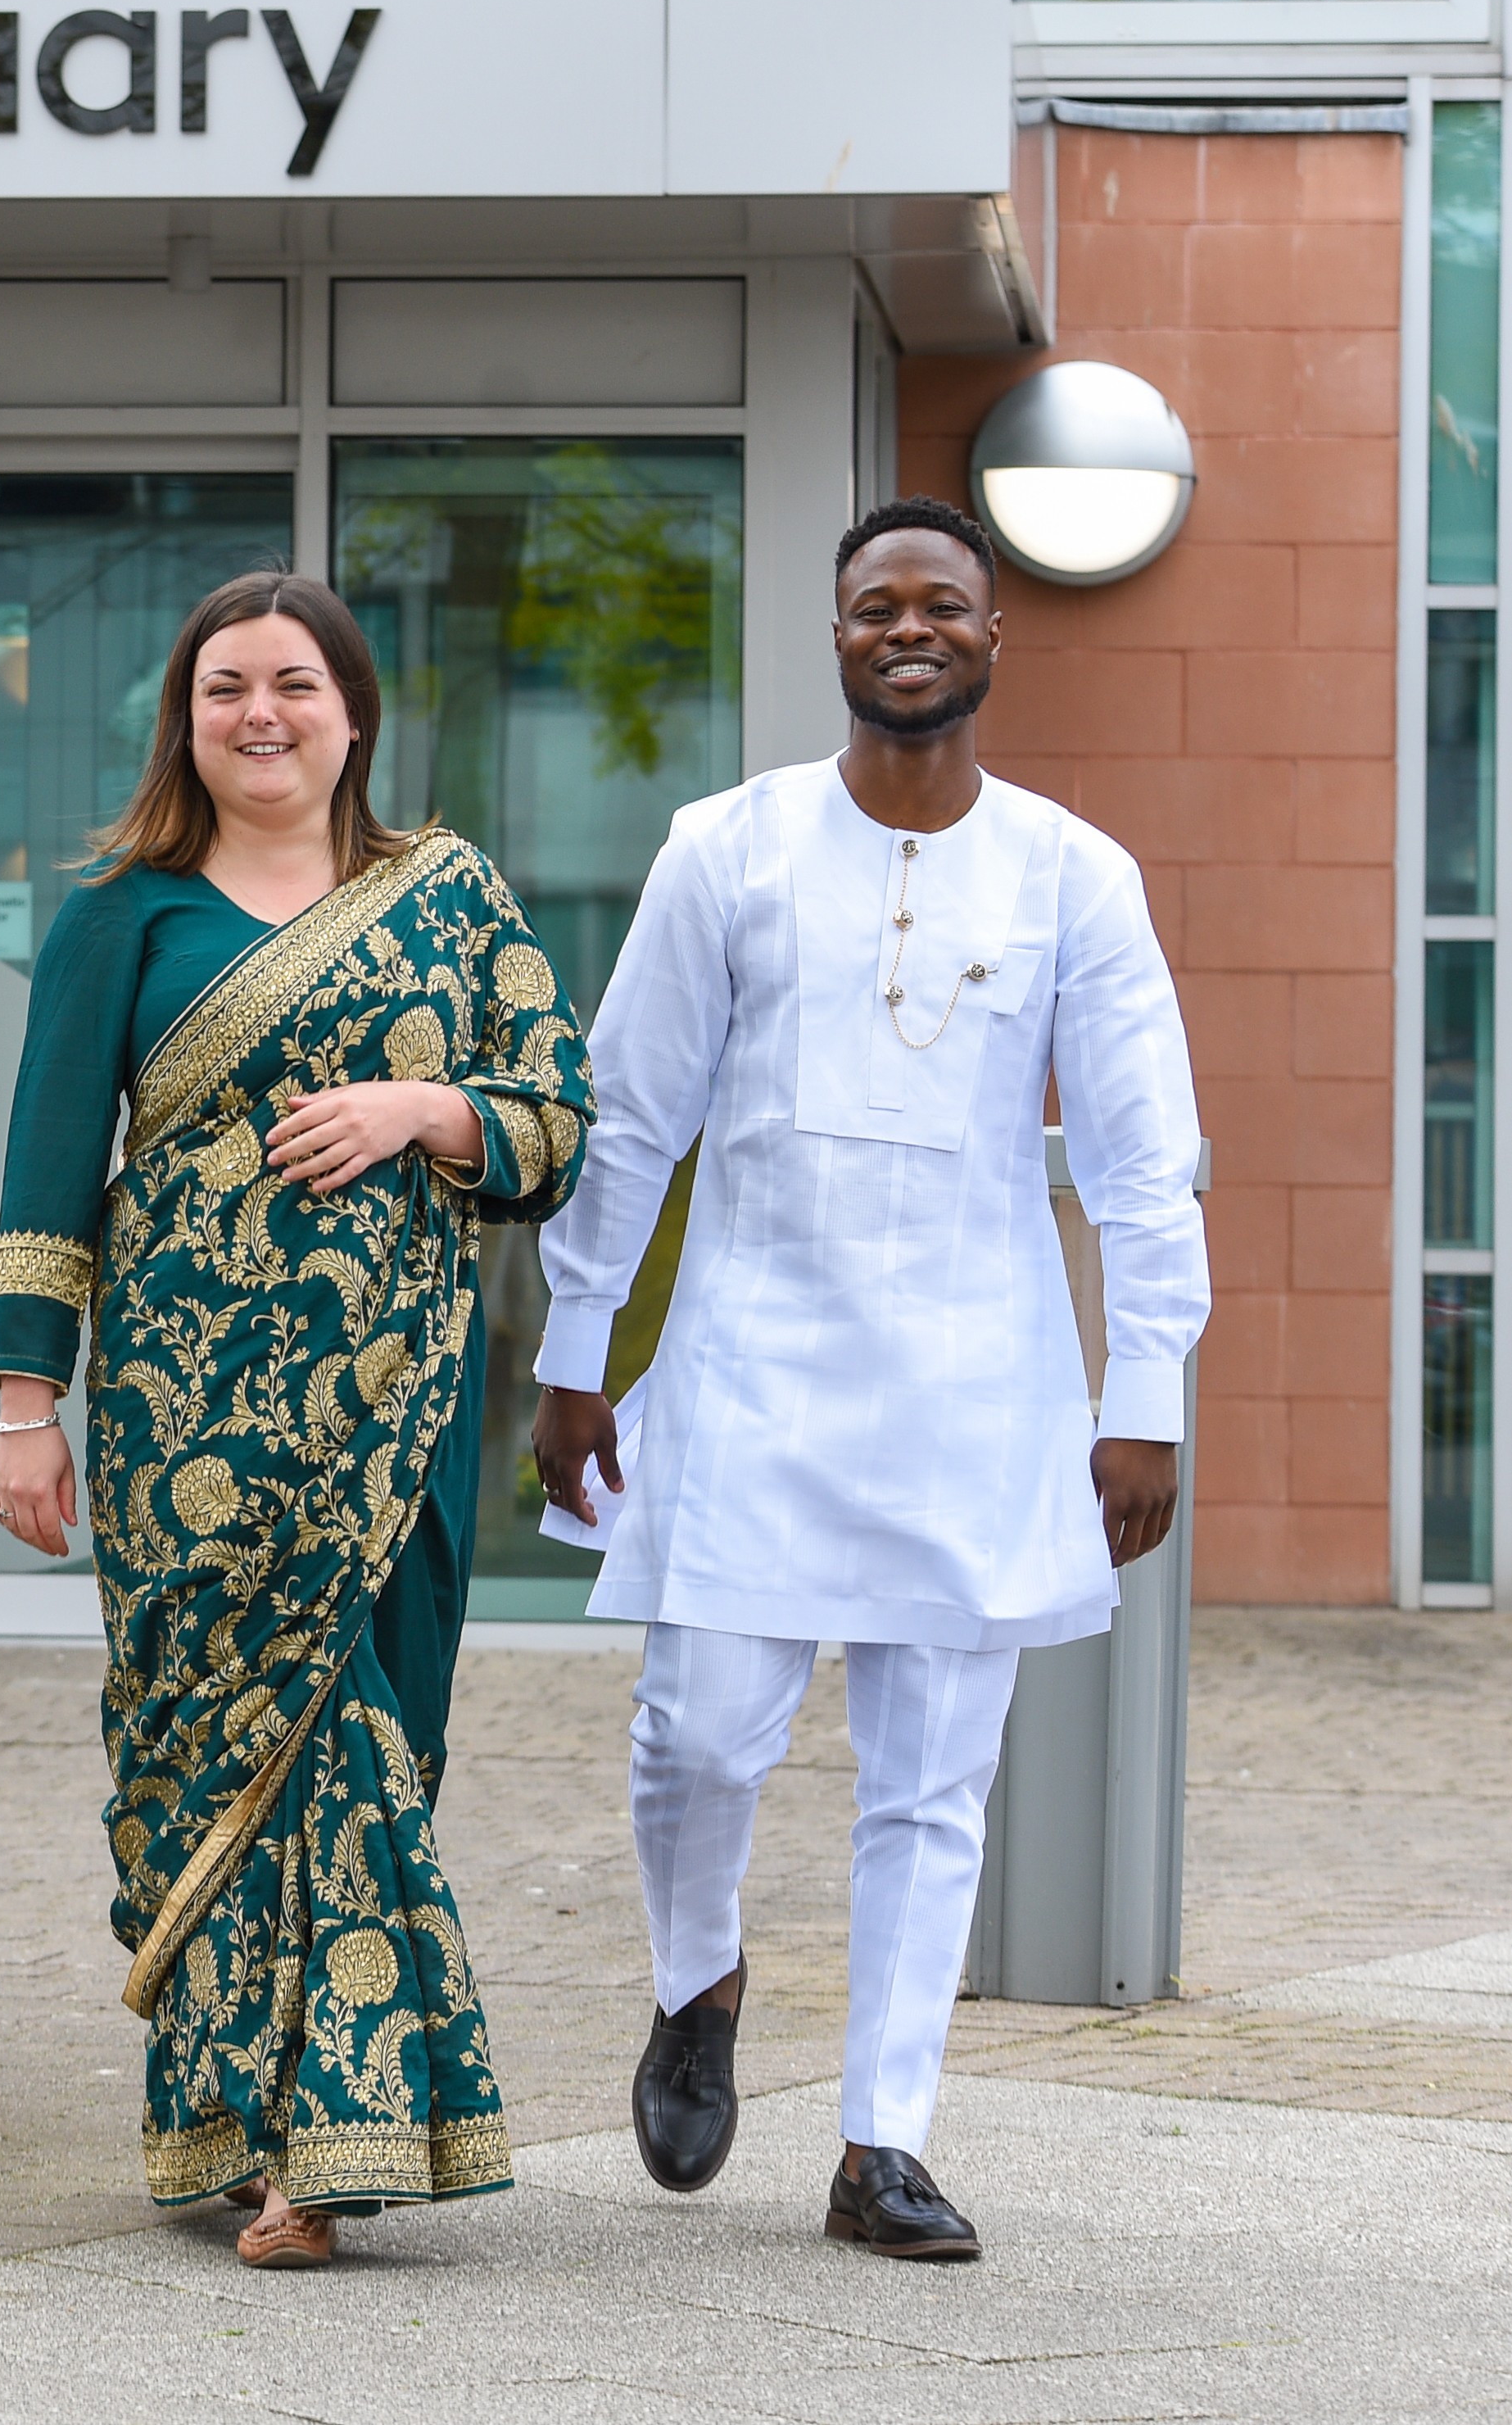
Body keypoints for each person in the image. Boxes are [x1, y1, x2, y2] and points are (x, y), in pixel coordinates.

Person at [532, 496, 1207, 2262]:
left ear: (995, 636)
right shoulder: (725, 849)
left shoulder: (1072, 874)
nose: (905, 629)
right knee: (691, 1738)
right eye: (869, 607)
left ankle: (880, 2139)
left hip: (980, 1392)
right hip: (752, 1369)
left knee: (929, 1784)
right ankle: (697, 1981)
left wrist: (1142, 1391)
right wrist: (573, 1351)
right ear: (833, 638)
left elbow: (1142, 1161)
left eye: (939, 605)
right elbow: (625, 1121)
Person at [0, 569, 592, 2269]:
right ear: (185, 721)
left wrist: (423, 1105)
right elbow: (44, 1170)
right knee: (202, 1760)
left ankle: (328, 2147)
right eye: (224, 688)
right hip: (185, 1425)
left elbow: (558, 1122)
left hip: (386, 1422)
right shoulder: (121, 912)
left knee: (357, 1738)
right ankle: (242, 2131)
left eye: (292, 684)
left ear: (351, 711)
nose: (260, 714)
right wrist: (25, 1401)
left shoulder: (448, 897)